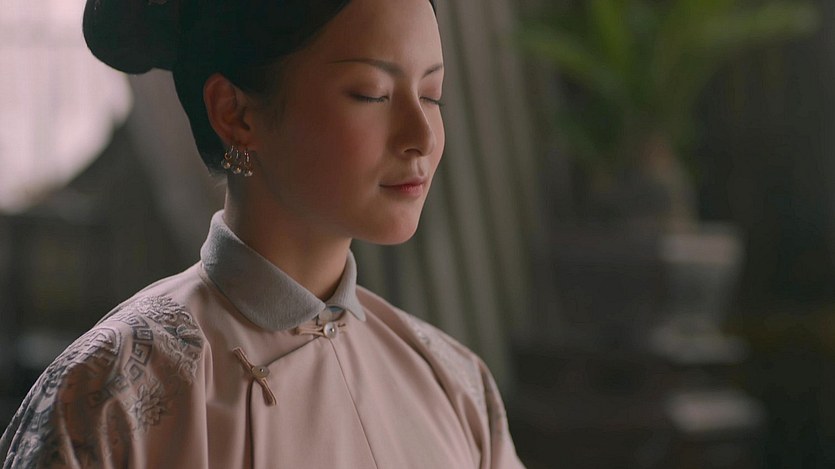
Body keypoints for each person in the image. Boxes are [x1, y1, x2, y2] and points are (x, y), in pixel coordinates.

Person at [1, 0, 524, 467]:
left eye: (431, 95)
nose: (422, 137)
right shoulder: (112, 397)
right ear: (235, 113)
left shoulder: (452, 383)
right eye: (373, 94)